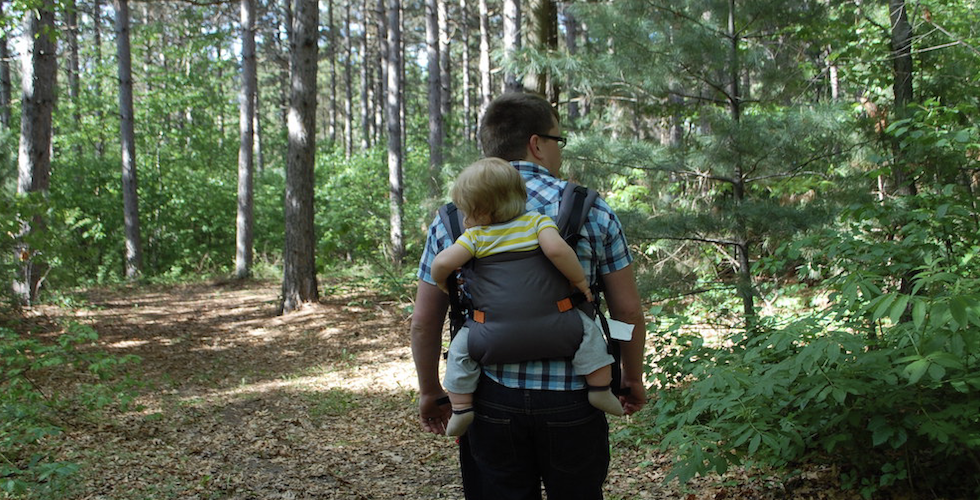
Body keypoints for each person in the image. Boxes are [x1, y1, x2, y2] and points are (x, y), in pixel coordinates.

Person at [410, 92, 647, 500]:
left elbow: (425, 320)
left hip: (489, 397)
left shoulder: (454, 218)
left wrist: (431, 390)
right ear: (537, 143)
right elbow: (626, 311)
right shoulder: (591, 209)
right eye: (559, 141)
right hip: (577, 396)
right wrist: (630, 376)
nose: (559, 152)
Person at [431, 157, 624, 437]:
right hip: (560, 323)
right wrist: (579, 280)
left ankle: (461, 407)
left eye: (467, 212)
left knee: (460, 351)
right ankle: (599, 388)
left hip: (489, 331)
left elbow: (442, 264)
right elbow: (558, 251)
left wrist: (442, 283)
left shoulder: (474, 238)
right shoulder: (537, 222)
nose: (465, 219)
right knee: (590, 335)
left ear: (482, 211)